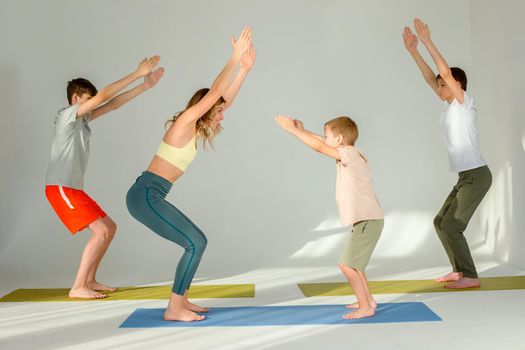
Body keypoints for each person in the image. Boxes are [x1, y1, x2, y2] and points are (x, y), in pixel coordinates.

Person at [126, 27, 256, 322]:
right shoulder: (185, 121)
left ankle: (181, 301)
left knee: (196, 241)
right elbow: (216, 94)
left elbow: (224, 99)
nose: (222, 115)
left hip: (151, 194)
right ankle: (174, 308)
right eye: (218, 111)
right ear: (205, 108)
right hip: (145, 195)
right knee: (195, 242)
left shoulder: (195, 130)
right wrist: (234, 58)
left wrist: (244, 71)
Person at [45, 56, 164, 299]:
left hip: (73, 189)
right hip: (60, 188)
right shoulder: (67, 115)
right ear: (76, 99)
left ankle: (90, 280)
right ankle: (78, 287)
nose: (92, 103)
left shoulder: (82, 121)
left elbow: (112, 104)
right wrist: (136, 73)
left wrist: (145, 85)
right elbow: (105, 97)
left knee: (109, 228)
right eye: (88, 99)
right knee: (100, 232)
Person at [402, 18, 492, 288]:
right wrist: (413, 51)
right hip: (466, 175)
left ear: (457, 86)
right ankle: (459, 270)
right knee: (441, 222)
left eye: (444, 85)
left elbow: (442, 73)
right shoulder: (448, 106)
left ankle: (471, 277)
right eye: (440, 86)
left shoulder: (464, 104)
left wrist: (428, 41)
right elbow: (431, 76)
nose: (438, 88)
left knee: (453, 226)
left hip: (477, 175)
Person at [275, 115, 384, 319]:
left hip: (369, 220)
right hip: (368, 219)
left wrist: (294, 131)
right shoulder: (351, 152)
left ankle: (365, 307)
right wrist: (304, 130)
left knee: (347, 265)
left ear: (340, 139)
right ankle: (368, 301)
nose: (324, 138)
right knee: (357, 265)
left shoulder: (349, 155)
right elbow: (322, 142)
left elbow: (319, 147)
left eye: (327, 135)